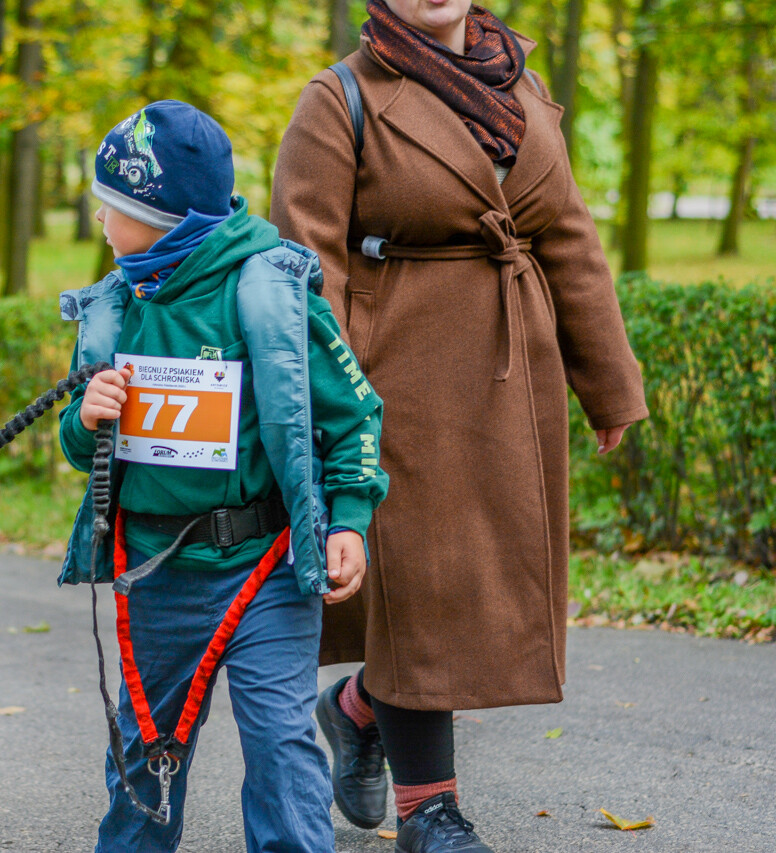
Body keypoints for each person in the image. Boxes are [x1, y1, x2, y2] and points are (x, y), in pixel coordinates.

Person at [269, 2, 648, 851]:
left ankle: (359, 707)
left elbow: (569, 237)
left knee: (471, 591)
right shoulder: (338, 99)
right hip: (392, 374)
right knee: (421, 587)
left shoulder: (521, 81)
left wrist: (609, 384)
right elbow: (306, 262)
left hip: (514, 376)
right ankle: (429, 811)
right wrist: (328, 405)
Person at [56, 100, 390, 852]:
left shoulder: (268, 294)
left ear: (170, 219)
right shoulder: (116, 305)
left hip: (262, 564)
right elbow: (80, 449)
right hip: (154, 571)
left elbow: (355, 416)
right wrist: (87, 418)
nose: (102, 221)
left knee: (280, 744)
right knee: (144, 755)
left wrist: (349, 520)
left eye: (115, 206)